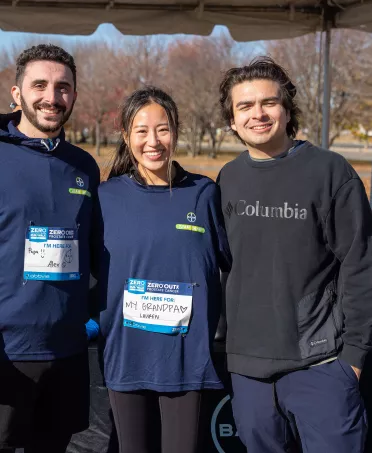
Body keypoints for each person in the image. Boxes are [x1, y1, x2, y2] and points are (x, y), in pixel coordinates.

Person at [217, 56, 372, 453]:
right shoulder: (228, 179)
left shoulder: (330, 172)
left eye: (268, 102)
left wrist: (352, 359)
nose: (258, 114)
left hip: (321, 368)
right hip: (248, 371)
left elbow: (362, 265)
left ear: (287, 110)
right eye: (245, 106)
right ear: (232, 121)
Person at [96, 86, 231, 453]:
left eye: (163, 129)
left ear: (176, 132)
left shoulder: (204, 194)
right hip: (127, 356)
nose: (153, 141)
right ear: (126, 136)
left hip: (186, 361)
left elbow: (236, 264)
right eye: (141, 131)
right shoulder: (105, 198)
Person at [0, 44, 100, 453]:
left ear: (74, 95)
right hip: (7, 350)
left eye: (63, 87)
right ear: (16, 93)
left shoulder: (84, 166)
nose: (51, 97)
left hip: (67, 350)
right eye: (39, 85)